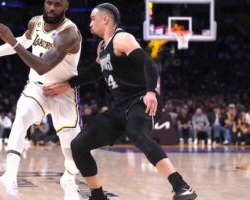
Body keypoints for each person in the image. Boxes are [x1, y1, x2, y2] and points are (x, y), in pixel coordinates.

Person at [42, 3, 197, 200]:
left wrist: (150, 92)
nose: (89, 23)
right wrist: (69, 84)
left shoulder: (122, 38)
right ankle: (98, 196)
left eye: (92, 19)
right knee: (79, 145)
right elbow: (96, 72)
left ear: (105, 20)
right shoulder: (102, 47)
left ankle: (181, 186)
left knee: (136, 134)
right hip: (120, 107)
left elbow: (148, 64)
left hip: (141, 101)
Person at [0, 0, 81, 199]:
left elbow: (42, 65)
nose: (51, 8)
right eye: (49, 2)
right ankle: (10, 180)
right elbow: (24, 42)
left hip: (63, 91)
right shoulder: (35, 23)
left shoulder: (69, 34)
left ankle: (69, 179)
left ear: (66, 5)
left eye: (57, 4)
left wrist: (11, 41)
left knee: (72, 149)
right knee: (21, 118)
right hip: (37, 88)